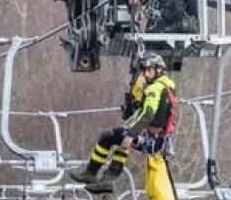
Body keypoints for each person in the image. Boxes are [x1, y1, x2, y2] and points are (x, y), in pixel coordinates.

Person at [69, 53, 178, 192]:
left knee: (107, 137)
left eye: (149, 70)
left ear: (158, 70)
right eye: (144, 71)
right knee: (121, 139)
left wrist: (132, 134)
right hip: (159, 141)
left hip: (151, 140)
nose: (145, 74)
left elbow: (148, 114)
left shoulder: (154, 88)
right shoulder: (167, 86)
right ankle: (107, 180)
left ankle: (91, 173)